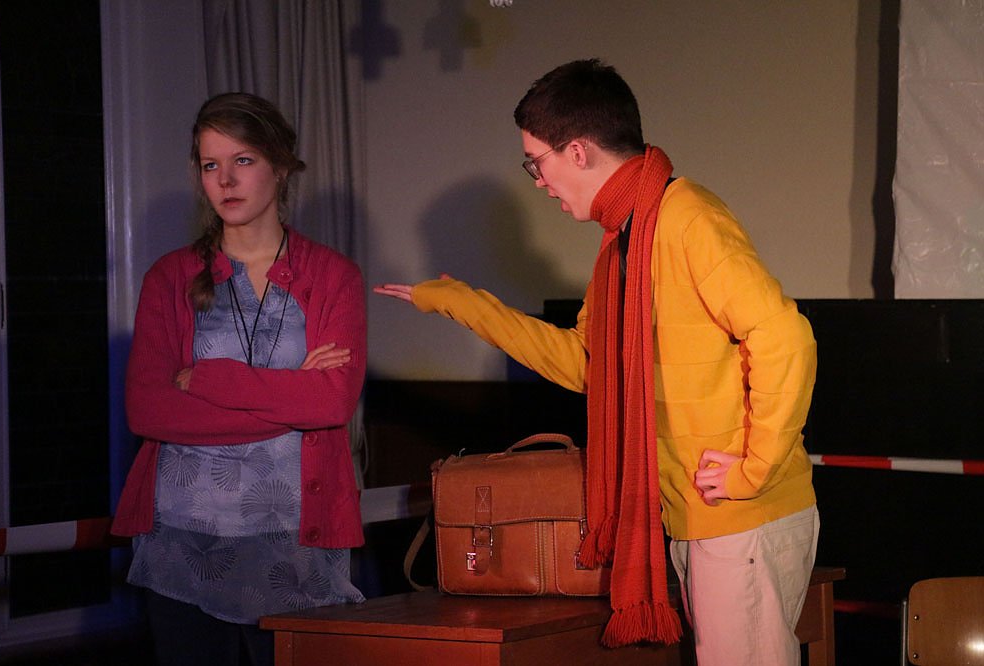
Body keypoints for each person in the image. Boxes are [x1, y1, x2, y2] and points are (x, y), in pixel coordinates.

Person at [374, 59, 819, 666]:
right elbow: (591, 367)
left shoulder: (686, 218)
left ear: (578, 151)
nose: (538, 181)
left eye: (536, 162)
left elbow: (784, 335)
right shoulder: (624, 239)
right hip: (700, 511)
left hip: (740, 513)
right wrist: (467, 306)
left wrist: (755, 468)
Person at [111, 92, 367, 666]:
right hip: (182, 539)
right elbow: (149, 412)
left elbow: (330, 404)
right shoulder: (170, 277)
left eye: (243, 160)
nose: (225, 180)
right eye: (211, 165)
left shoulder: (332, 276)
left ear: (281, 166)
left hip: (294, 541)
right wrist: (291, 395)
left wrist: (207, 380)